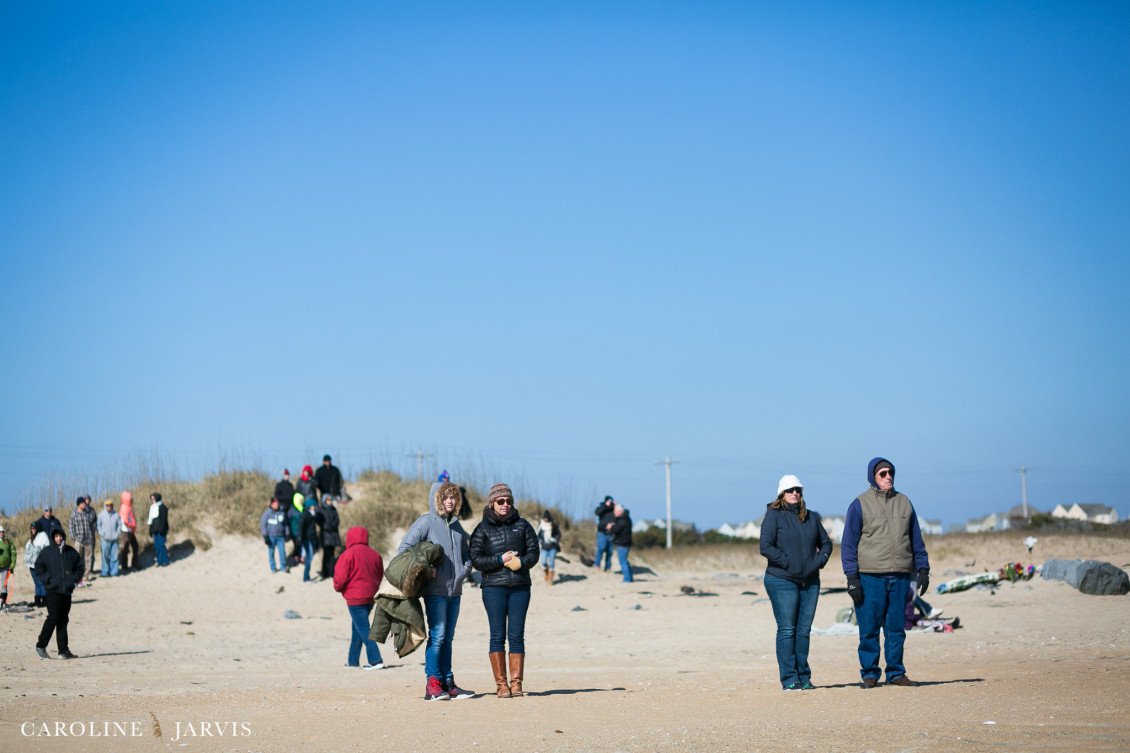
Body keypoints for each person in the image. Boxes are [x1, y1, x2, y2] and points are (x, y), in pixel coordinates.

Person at [841, 457, 931, 688]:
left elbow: (916, 539)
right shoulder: (859, 504)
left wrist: (923, 568)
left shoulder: (905, 502)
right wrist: (852, 578)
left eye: (890, 472)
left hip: (901, 575)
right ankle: (870, 674)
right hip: (870, 576)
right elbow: (849, 545)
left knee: (896, 628)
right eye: (882, 473)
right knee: (869, 628)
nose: (888, 476)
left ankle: (896, 673)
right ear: (873, 476)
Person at [398, 480, 474, 701]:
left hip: (455, 590)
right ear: (437, 499)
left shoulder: (458, 526)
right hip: (435, 591)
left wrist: (467, 567)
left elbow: (466, 553)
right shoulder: (426, 522)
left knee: (448, 638)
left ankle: (448, 683)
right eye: (445, 497)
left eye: (453, 497)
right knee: (438, 636)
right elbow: (404, 550)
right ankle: (432, 685)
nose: (449, 501)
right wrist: (426, 568)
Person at [759, 474, 834, 690]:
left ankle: (804, 677)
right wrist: (790, 564)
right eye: (791, 490)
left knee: (803, 631)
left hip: (810, 581)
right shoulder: (773, 516)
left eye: (798, 490)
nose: (795, 493)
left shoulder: (810, 517)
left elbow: (827, 544)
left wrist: (818, 562)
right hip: (781, 579)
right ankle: (789, 679)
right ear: (781, 493)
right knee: (787, 630)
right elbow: (765, 547)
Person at [469, 483, 539, 698]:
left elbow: (534, 553)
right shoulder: (482, 529)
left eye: (509, 501)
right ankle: (501, 685)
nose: (505, 505)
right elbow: (476, 560)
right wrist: (500, 560)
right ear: (492, 503)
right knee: (497, 635)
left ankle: (516, 684)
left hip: (520, 588)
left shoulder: (524, 526)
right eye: (501, 501)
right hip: (493, 588)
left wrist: (521, 563)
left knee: (517, 635)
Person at [333, 526, 386, 669]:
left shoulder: (348, 554)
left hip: (355, 598)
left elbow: (340, 577)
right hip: (371, 596)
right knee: (357, 627)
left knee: (362, 627)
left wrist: (339, 588)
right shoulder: (375, 554)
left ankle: (376, 660)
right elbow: (379, 574)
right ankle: (352, 661)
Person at [33, 528, 83, 659]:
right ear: (53, 537)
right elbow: (38, 567)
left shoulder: (70, 552)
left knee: (63, 620)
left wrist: (73, 579)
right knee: (53, 618)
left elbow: (80, 566)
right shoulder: (47, 552)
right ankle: (40, 646)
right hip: (53, 591)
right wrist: (48, 579)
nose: (58, 538)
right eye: (56, 536)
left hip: (66, 591)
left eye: (60, 536)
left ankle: (63, 651)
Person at [67, 497, 96, 586]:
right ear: (79, 504)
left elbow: (92, 525)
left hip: (88, 540)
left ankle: (86, 576)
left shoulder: (88, 514)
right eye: (83, 503)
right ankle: (77, 577)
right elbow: (71, 528)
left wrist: (91, 537)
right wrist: (75, 539)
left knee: (88, 559)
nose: (84, 504)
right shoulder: (74, 515)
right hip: (79, 541)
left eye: (84, 503)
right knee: (78, 559)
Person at [260, 498, 289, 573]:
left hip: (280, 537)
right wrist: (265, 536)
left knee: (282, 552)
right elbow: (263, 525)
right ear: (271, 504)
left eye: (277, 503)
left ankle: (283, 567)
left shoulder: (282, 512)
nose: (277, 505)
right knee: (271, 552)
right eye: (275, 503)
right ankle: (273, 568)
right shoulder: (266, 514)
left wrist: (287, 533)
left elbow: (285, 524)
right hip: (271, 536)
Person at [96, 499, 122, 577]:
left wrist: (117, 534)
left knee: (114, 557)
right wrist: (102, 534)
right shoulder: (101, 515)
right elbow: (98, 526)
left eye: (110, 505)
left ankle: (114, 572)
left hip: (114, 540)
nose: (109, 506)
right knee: (105, 557)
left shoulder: (116, 514)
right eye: (107, 505)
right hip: (105, 540)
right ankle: (105, 573)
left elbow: (120, 525)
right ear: (105, 506)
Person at [26, 522, 50, 606]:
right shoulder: (32, 539)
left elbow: (46, 550)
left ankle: (44, 600)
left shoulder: (43, 536)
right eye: (31, 528)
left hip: (40, 565)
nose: (32, 530)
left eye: (34, 528)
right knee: (36, 583)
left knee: (41, 582)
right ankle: (37, 600)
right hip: (31, 565)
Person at [609, 504, 634, 582]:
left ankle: (627, 579)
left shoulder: (622, 520)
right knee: (625, 561)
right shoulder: (626, 518)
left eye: (615, 511)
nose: (614, 513)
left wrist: (611, 527)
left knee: (623, 561)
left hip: (623, 543)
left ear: (620, 511)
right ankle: (629, 577)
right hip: (625, 542)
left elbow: (616, 530)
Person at [319, 495, 342, 579]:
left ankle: (331, 572)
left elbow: (337, 520)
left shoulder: (333, 509)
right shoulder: (321, 510)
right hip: (325, 535)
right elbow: (319, 521)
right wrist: (326, 526)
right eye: (328, 500)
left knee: (332, 554)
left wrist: (332, 526)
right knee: (326, 554)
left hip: (333, 534)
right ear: (324, 500)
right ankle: (325, 572)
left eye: (330, 499)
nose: (330, 501)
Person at [300, 496, 322, 582]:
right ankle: (306, 577)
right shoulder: (305, 514)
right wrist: (300, 537)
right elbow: (301, 527)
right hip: (307, 538)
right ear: (310, 506)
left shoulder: (312, 514)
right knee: (309, 557)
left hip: (311, 538)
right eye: (313, 505)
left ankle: (307, 577)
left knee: (310, 556)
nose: (315, 506)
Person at [537, 511, 561, 585]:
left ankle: (550, 580)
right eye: (545, 518)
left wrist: (555, 540)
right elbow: (538, 535)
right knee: (544, 563)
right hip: (544, 547)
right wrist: (541, 541)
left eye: (547, 518)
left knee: (551, 564)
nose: (546, 519)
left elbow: (559, 534)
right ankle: (546, 572)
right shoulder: (541, 525)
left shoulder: (553, 524)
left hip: (552, 547)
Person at [118, 491, 140, 572]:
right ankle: (124, 566)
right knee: (125, 548)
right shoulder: (124, 507)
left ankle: (134, 564)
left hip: (130, 530)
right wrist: (132, 525)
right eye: (130, 498)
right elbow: (125, 520)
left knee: (135, 546)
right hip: (125, 531)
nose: (132, 500)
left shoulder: (128, 507)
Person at [593, 496, 616, 571]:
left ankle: (608, 567)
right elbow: (597, 512)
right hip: (602, 531)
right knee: (600, 549)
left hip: (611, 533)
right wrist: (606, 506)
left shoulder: (614, 509)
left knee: (609, 552)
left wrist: (615, 506)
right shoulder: (602, 508)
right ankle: (597, 565)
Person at [148, 493, 170, 567]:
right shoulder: (152, 508)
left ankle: (165, 560)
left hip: (161, 530)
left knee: (161, 545)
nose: (152, 500)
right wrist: (150, 530)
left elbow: (163, 520)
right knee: (156, 546)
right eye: (151, 499)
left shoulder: (162, 507)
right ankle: (159, 560)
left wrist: (161, 529)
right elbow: (151, 520)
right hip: (155, 530)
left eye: (153, 499)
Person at [79, 495, 97, 574]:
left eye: (88, 499)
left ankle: (90, 570)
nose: (87, 500)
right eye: (85, 499)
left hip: (91, 536)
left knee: (91, 554)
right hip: (81, 537)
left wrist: (93, 528)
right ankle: (82, 570)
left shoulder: (92, 511)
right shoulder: (80, 511)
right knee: (82, 555)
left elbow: (95, 522)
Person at [0, 525, 16, 610]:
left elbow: (13, 552)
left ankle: (3, 603)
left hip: (6, 567)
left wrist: (12, 565)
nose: (1, 533)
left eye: (3, 532)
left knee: (4, 585)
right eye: (0, 532)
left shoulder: (7, 541)